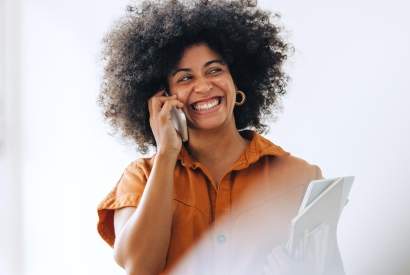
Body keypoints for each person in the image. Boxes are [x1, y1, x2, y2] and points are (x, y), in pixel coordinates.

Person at [96, 1, 323, 274]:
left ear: (236, 79)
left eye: (214, 70)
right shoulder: (142, 177)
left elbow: (330, 266)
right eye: (184, 78)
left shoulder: (298, 176)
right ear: (162, 97)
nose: (203, 86)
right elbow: (140, 267)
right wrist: (167, 154)